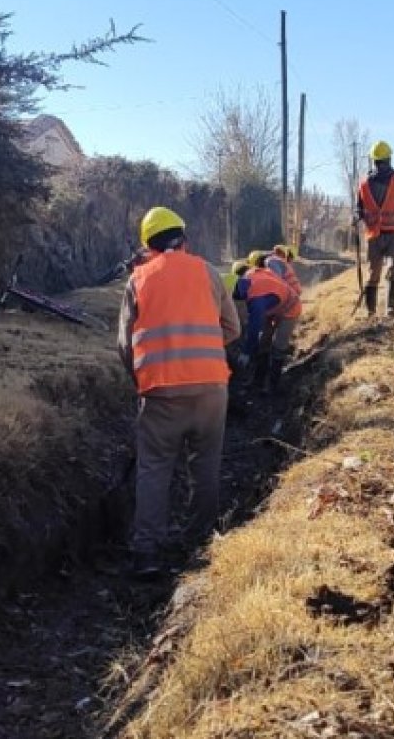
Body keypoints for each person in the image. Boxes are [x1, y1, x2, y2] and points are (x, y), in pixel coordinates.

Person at [117, 206, 241, 578]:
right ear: (184, 240)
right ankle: (202, 541)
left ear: (149, 247)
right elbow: (232, 328)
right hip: (211, 390)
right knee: (205, 464)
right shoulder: (208, 272)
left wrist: (142, 382)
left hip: (161, 395)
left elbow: (124, 345)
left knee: (154, 468)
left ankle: (147, 552)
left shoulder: (139, 279)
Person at [354, 140, 394, 316]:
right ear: (388, 159)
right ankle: (373, 311)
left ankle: (388, 308)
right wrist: (356, 215)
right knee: (378, 273)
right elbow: (358, 207)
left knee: (387, 271)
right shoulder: (364, 184)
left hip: (392, 234)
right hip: (376, 234)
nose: (381, 165)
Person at [233, 265, 302, 394]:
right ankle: (258, 381)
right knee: (263, 342)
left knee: (278, 346)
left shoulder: (256, 300)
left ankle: (273, 386)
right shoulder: (249, 276)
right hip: (273, 305)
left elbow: (254, 328)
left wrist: (246, 352)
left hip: (290, 307)